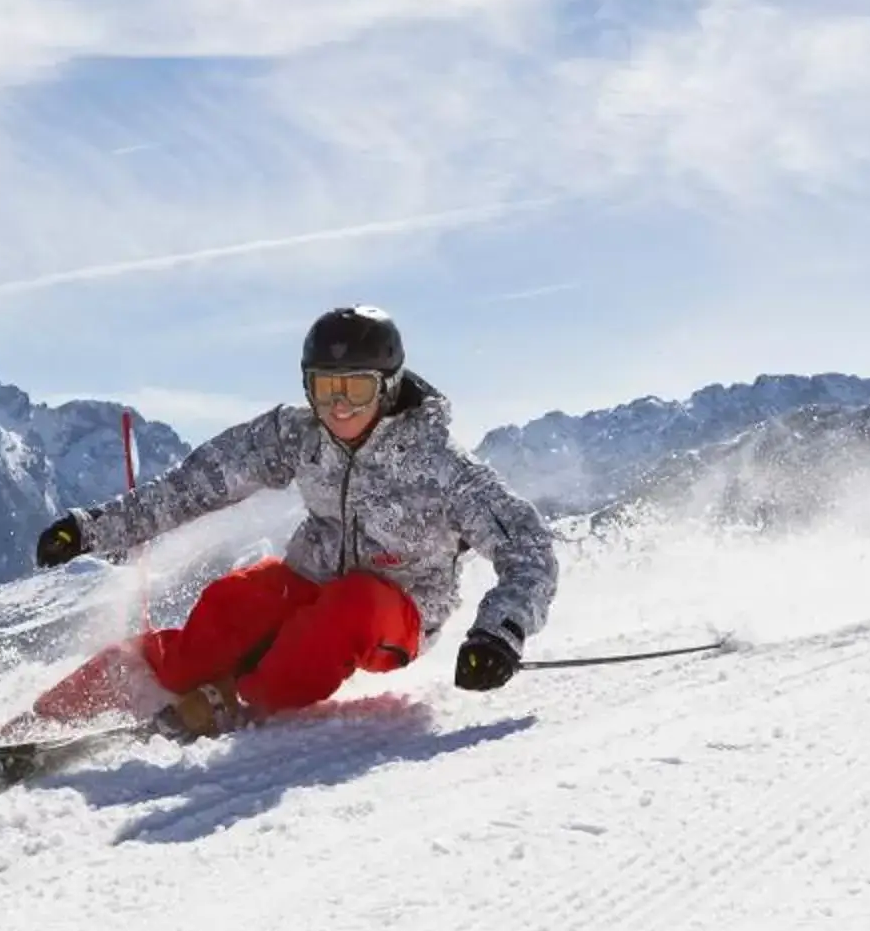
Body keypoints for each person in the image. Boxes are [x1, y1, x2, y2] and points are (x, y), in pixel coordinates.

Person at [27, 305, 558, 735]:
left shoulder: (443, 466)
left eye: (357, 390)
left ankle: (240, 703)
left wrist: (500, 634)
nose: (340, 408)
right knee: (231, 605)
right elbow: (194, 485)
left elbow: (528, 548)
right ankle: (94, 698)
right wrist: (93, 527)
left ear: (389, 387)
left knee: (346, 609)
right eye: (326, 389)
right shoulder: (299, 436)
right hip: (312, 577)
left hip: (397, 612)